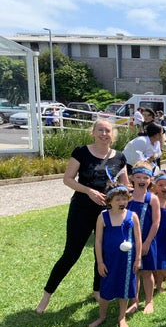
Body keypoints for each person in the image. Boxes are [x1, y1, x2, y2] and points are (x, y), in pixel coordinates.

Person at [37, 120, 128, 313]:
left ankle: (97, 290)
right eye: (100, 130)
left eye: (108, 130)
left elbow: (124, 185)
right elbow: (67, 179)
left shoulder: (119, 157)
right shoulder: (81, 152)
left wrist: (126, 190)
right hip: (82, 208)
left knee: (102, 253)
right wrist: (89, 191)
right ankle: (46, 296)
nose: (104, 134)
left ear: (114, 134)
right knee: (71, 254)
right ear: (93, 132)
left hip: (107, 212)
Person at [88, 184, 142, 327]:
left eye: (124, 199)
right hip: (109, 260)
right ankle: (102, 316)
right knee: (106, 288)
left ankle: (122, 317)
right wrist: (100, 262)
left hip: (127, 261)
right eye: (118, 199)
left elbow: (138, 239)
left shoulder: (132, 216)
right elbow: (98, 241)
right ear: (110, 201)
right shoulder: (103, 216)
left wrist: (137, 259)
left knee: (124, 288)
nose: (121, 202)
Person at [126, 161, 160, 314]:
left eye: (145, 177)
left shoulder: (152, 199)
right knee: (134, 271)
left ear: (150, 180)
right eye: (138, 177)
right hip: (130, 240)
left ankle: (149, 301)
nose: (141, 180)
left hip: (147, 240)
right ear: (132, 178)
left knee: (146, 272)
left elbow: (156, 222)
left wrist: (146, 243)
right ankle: (134, 301)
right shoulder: (127, 197)